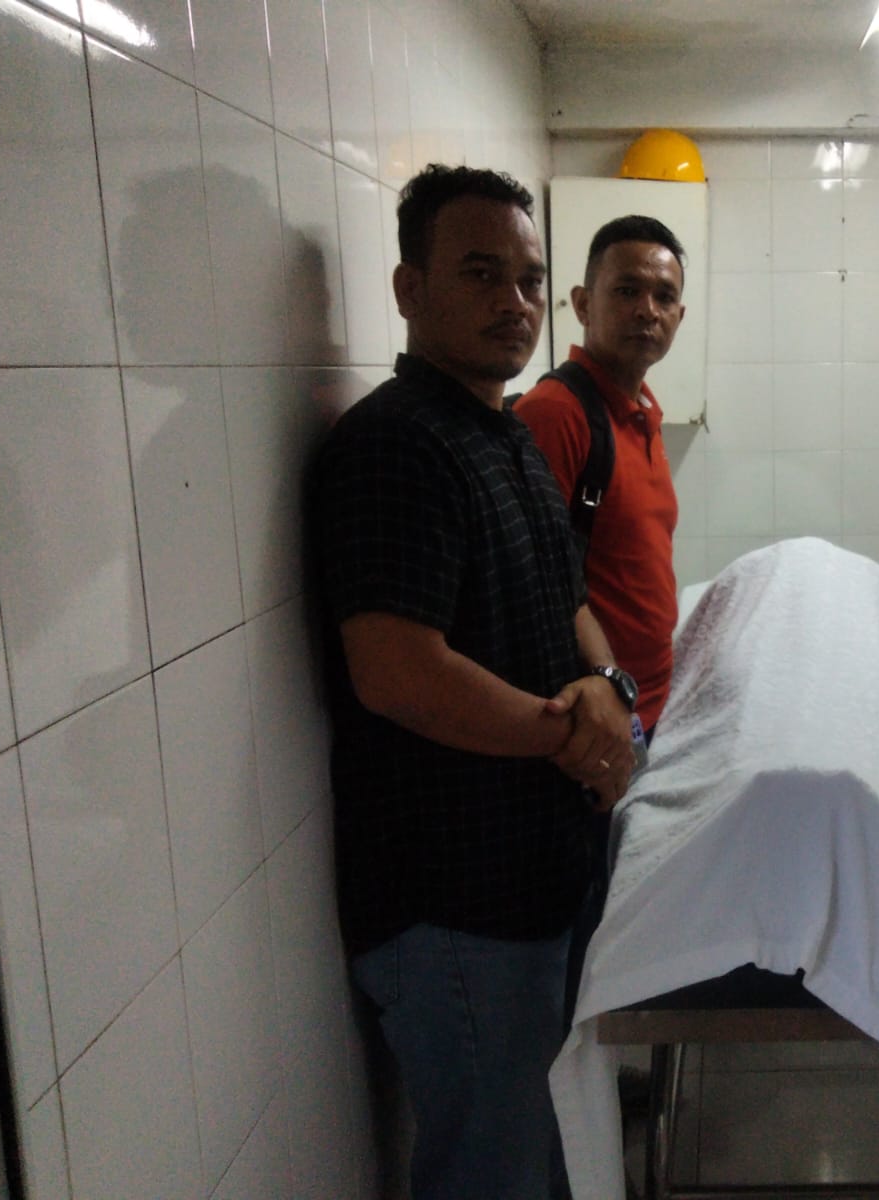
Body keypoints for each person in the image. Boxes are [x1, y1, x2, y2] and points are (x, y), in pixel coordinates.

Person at [307, 164, 640, 1200]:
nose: (515, 302)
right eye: (481, 273)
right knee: (492, 1173)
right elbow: (397, 672)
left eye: (530, 280)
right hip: (454, 908)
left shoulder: (504, 433)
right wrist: (571, 735)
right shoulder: (396, 446)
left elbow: (567, 599)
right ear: (410, 289)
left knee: (535, 1157)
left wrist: (607, 686)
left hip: (530, 886)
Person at [513, 214, 686, 738]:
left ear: (679, 316)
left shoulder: (643, 411)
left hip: (652, 702)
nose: (647, 310)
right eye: (627, 290)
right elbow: (532, 585)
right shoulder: (556, 414)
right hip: (597, 717)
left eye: (664, 296)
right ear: (583, 304)